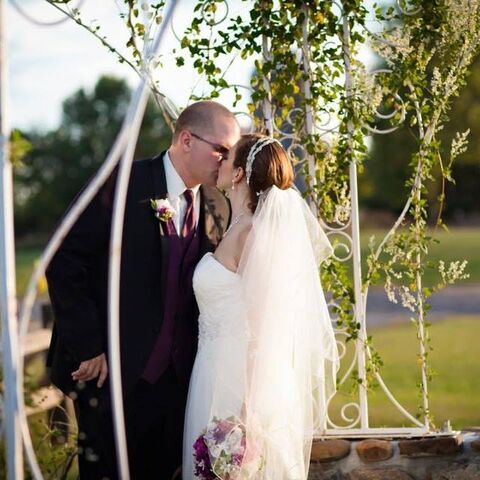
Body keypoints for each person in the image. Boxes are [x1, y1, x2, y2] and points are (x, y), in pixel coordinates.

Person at [45, 100, 241, 480]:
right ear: (186, 140)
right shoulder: (121, 184)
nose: (226, 159)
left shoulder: (217, 205)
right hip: (112, 378)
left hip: (178, 387)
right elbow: (64, 257)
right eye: (221, 149)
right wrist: (88, 345)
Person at [182, 134, 340, 479]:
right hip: (211, 370)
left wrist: (246, 414)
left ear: (238, 173)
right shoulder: (235, 227)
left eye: (226, 158)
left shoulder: (252, 233)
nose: (219, 162)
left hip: (238, 383)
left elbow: (267, 327)